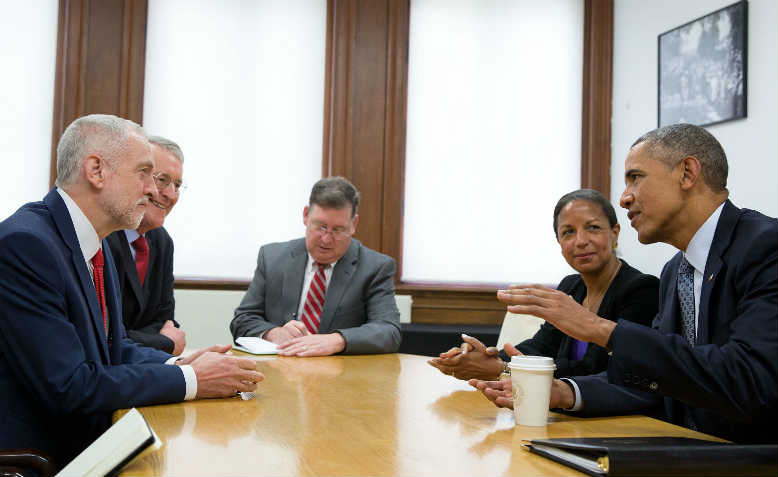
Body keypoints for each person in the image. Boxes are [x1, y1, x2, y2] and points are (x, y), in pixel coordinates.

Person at [471, 123, 777, 443]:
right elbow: (654, 379)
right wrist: (564, 392)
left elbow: (752, 381)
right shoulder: (676, 271)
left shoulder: (765, 247)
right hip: (680, 449)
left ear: (687, 173)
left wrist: (598, 328)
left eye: (635, 177)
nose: (624, 198)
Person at [0, 114, 263, 465]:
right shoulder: (26, 244)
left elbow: (114, 347)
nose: (154, 190)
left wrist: (181, 362)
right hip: (43, 457)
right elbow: (70, 386)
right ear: (96, 170)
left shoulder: (97, 241)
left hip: (94, 437)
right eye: (144, 173)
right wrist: (191, 379)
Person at [428, 189, 659, 381]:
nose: (580, 241)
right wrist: (488, 358)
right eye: (568, 232)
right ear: (560, 242)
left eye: (593, 228)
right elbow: (541, 347)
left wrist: (505, 370)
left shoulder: (641, 289)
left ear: (615, 233)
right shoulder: (571, 286)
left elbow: (600, 370)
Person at [231, 177, 401, 356]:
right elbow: (243, 319)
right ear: (305, 216)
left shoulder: (375, 267)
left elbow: (389, 331)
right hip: (280, 371)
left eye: (338, 230)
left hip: (341, 377)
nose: (327, 239)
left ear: (354, 224)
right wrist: (274, 333)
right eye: (321, 227)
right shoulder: (272, 258)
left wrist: (338, 340)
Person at [106, 136, 186, 355]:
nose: (171, 194)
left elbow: (166, 322)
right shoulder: (102, 235)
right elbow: (104, 335)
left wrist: (154, 337)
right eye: (162, 179)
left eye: (177, 185)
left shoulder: (161, 241)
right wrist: (162, 343)